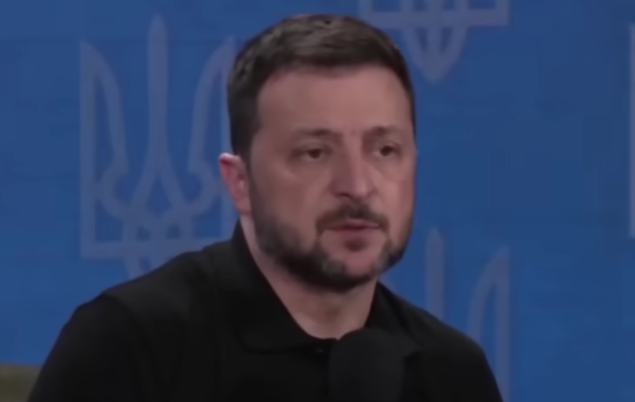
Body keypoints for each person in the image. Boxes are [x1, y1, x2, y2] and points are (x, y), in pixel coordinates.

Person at [28, 14, 503, 402]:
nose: (358, 187)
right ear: (240, 182)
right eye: (314, 153)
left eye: (385, 150)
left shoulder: (452, 371)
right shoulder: (130, 344)